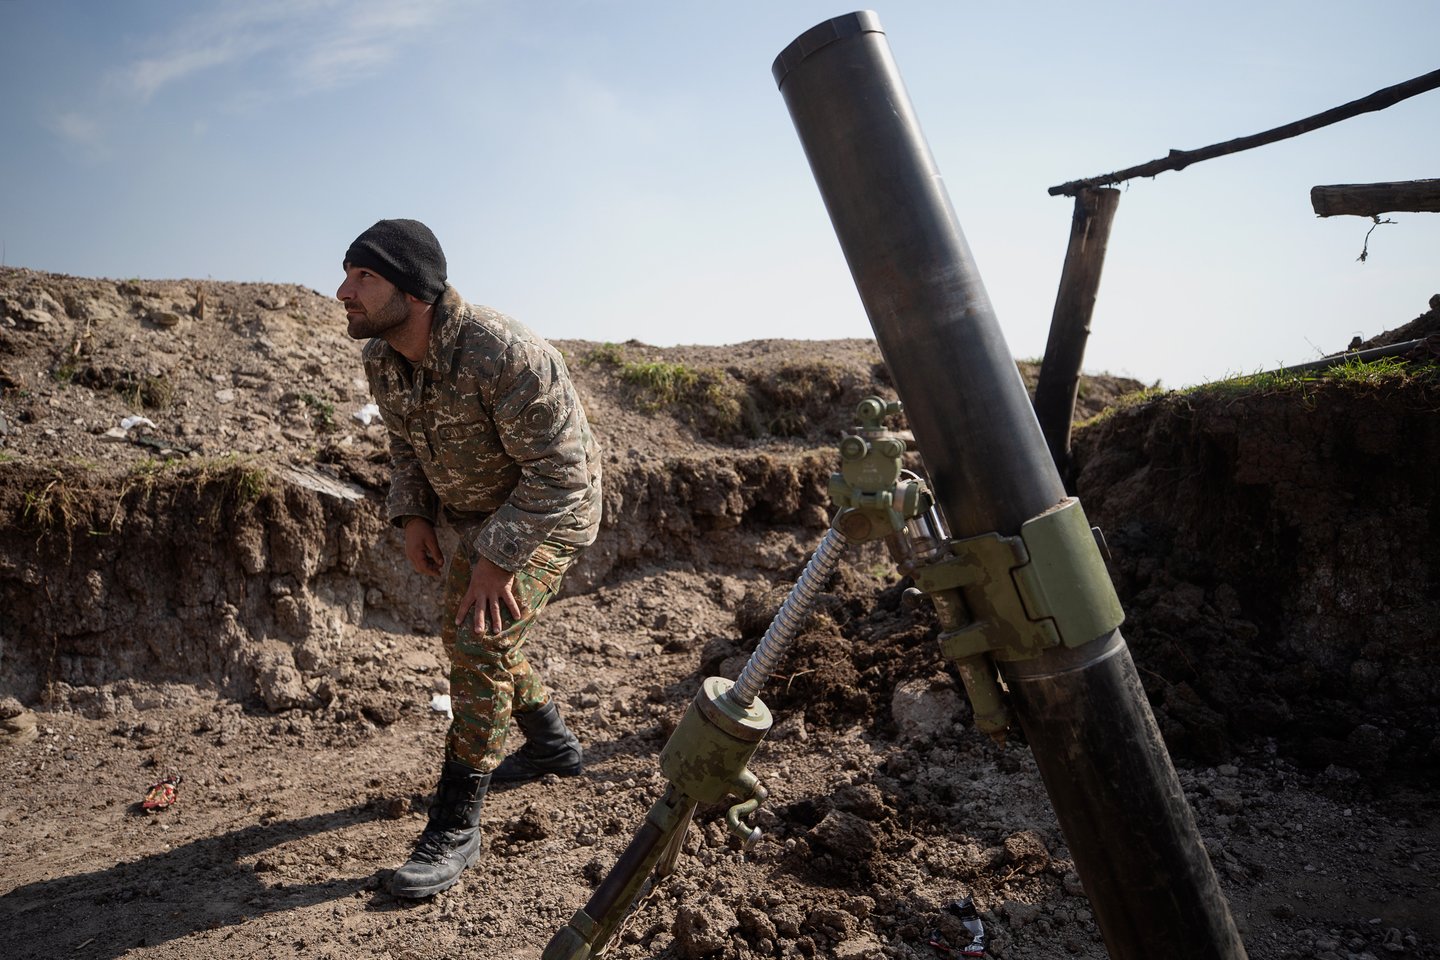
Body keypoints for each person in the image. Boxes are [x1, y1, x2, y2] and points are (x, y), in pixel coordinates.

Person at [338, 218, 602, 898]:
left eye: (364, 276)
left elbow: (561, 475)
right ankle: (552, 745)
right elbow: (405, 445)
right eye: (347, 274)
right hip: (479, 513)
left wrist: (498, 561)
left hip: (551, 512)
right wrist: (413, 513)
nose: (344, 292)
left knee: (478, 638)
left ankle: (455, 825)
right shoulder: (383, 359)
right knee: (476, 636)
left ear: (413, 291)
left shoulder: (502, 351)